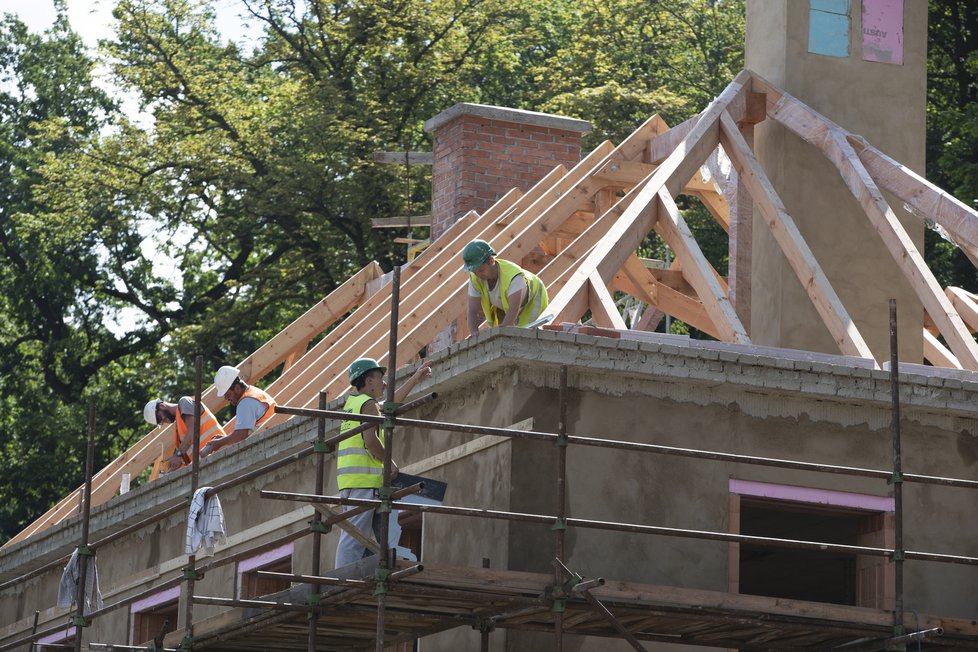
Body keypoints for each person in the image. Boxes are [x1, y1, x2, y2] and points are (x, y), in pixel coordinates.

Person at [335, 357, 431, 568]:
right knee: (354, 538)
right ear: (369, 381)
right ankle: (342, 580)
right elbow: (371, 441)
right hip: (363, 483)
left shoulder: (353, 403)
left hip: (356, 483)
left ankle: (382, 566)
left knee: (370, 533)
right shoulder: (367, 404)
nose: (384, 382)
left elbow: (389, 405)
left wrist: (415, 379)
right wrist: (390, 464)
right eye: (380, 378)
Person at [462, 239, 549, 339]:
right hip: (508, 306)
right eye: (474, 272)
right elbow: (472, 311)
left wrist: (502, 333)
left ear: (491, 261)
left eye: (481, 270)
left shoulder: (514, 277)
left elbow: (513, 308)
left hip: (533, 300)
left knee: (525, 336)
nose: (478, 275)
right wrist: (474, 333)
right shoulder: (475, 278)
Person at [203, 365, 277, 457]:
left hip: (271, 441)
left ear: (237, 388)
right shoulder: (252, 392)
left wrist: (219, 443)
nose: (226, 398)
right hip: (271, 435)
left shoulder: (245, 402)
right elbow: (242, 433)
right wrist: (224, 440)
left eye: (228, 394)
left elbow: (241, 436)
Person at [142, 397, 228, 472]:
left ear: (162, 406)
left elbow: (193, 430)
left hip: (220, 451)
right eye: (159, 422)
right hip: (208, 463)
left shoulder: (184, 402)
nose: (162, 421)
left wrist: (178, 455)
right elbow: (186, 459)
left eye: (159, 418)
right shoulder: (178, 431)